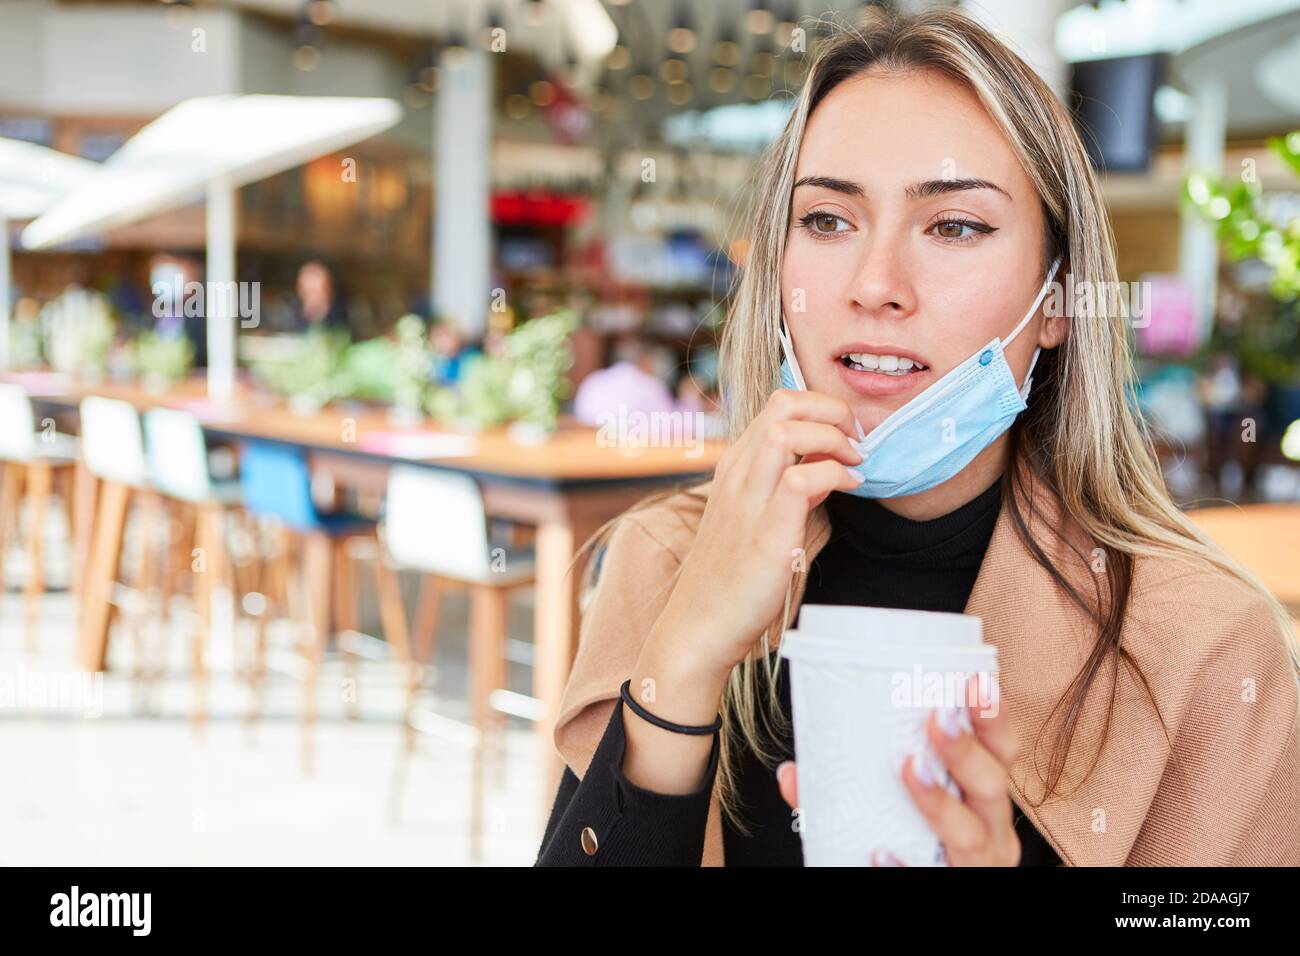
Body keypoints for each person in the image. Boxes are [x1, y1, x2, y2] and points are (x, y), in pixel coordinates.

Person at [535, 8, 1300, 867]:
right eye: (827, 219)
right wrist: (680, 662)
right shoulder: (666, 558)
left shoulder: (1204, 645)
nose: (876, 284)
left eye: (955, 227)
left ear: (1057, 301)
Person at [571, 335, 679, 426]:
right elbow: (669, 421)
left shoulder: (594, 379)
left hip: (589, 440)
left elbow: (580, 414)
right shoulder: (649, 385)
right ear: (644, 361)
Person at [286, 258, 351, 336]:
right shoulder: (292, 312)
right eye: (309, 290)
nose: (313, 297)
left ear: (328, 288)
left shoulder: (340, 312)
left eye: (316, 290)